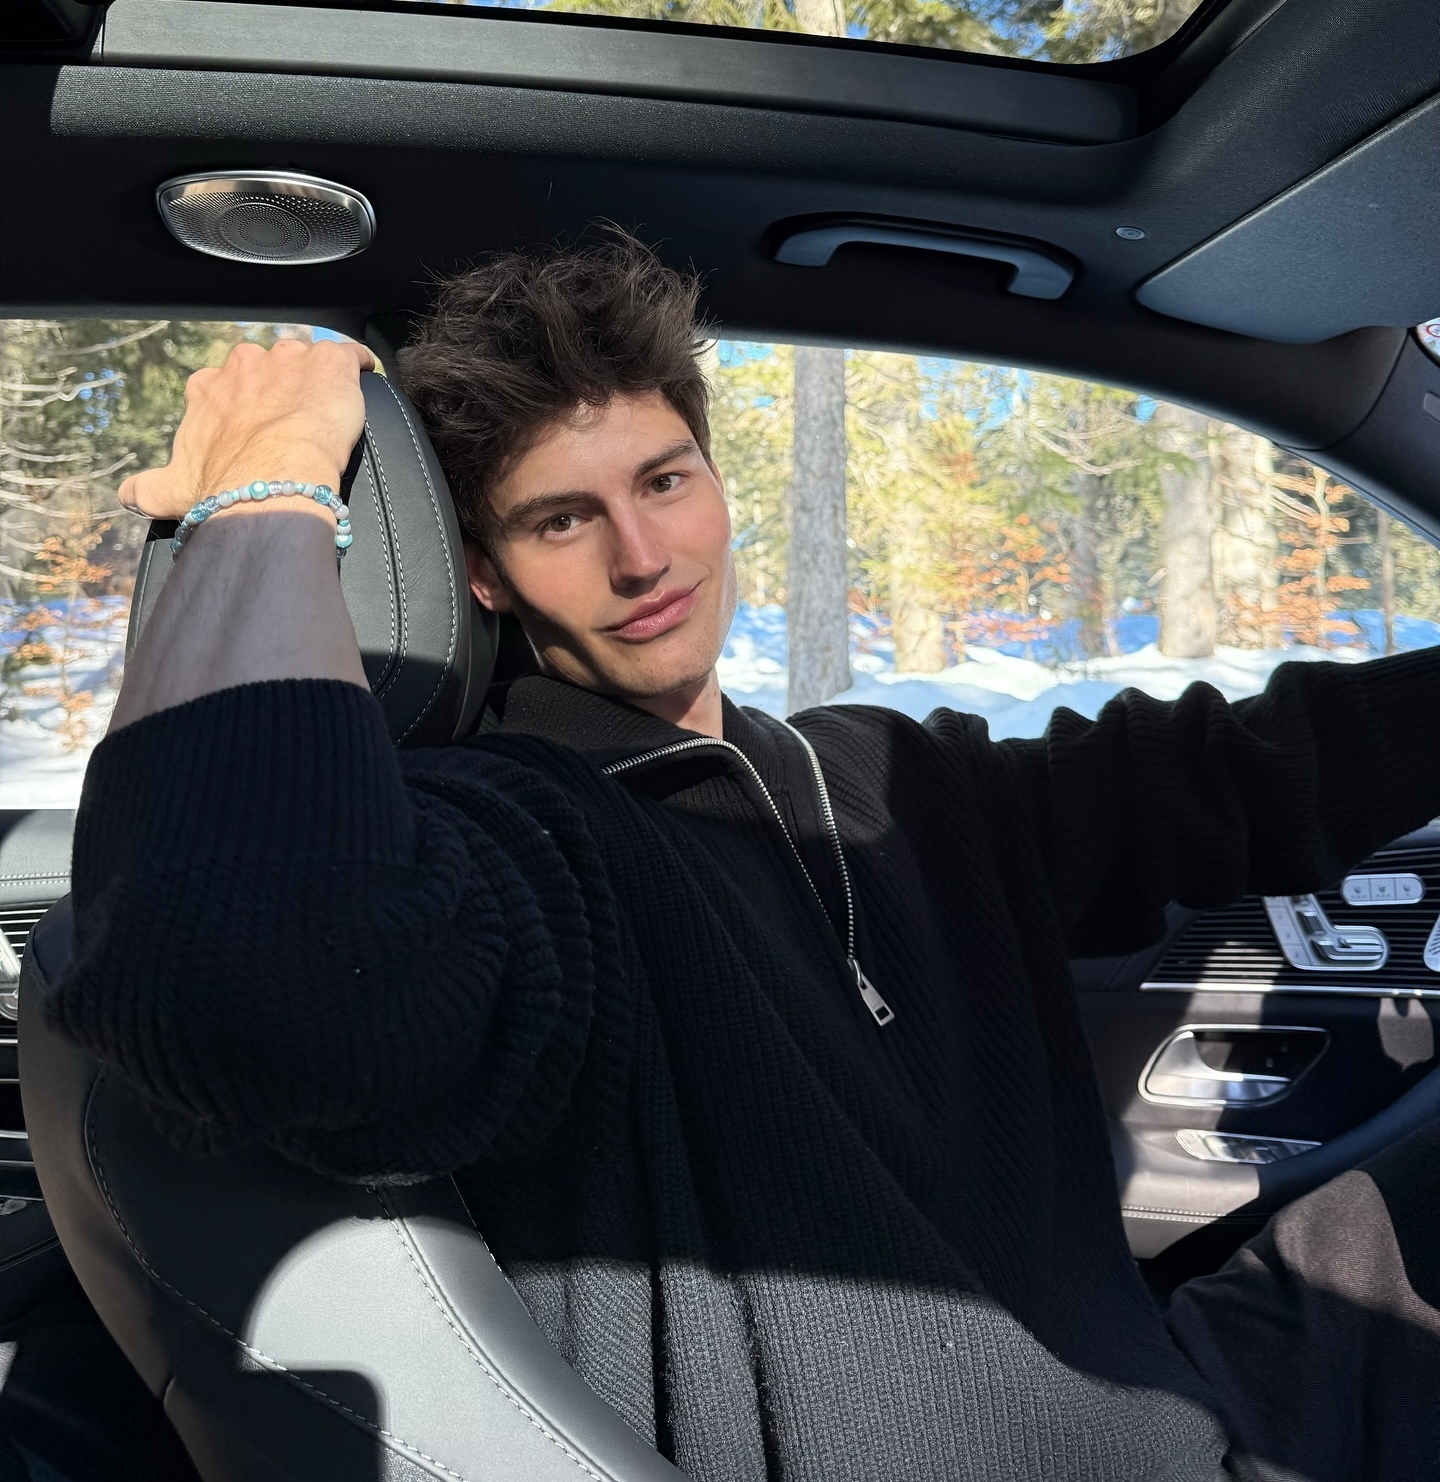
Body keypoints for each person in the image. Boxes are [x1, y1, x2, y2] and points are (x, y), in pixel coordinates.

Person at [51, 239, 1440, 1482]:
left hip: (1159, 1414)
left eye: (664, 481)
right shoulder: (522, 833)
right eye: (559, 519)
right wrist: (267, 493)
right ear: (483, 575)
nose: (643, 556)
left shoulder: (900, 776)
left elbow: (1250, 768)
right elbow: (246, 986)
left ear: (718, 484)